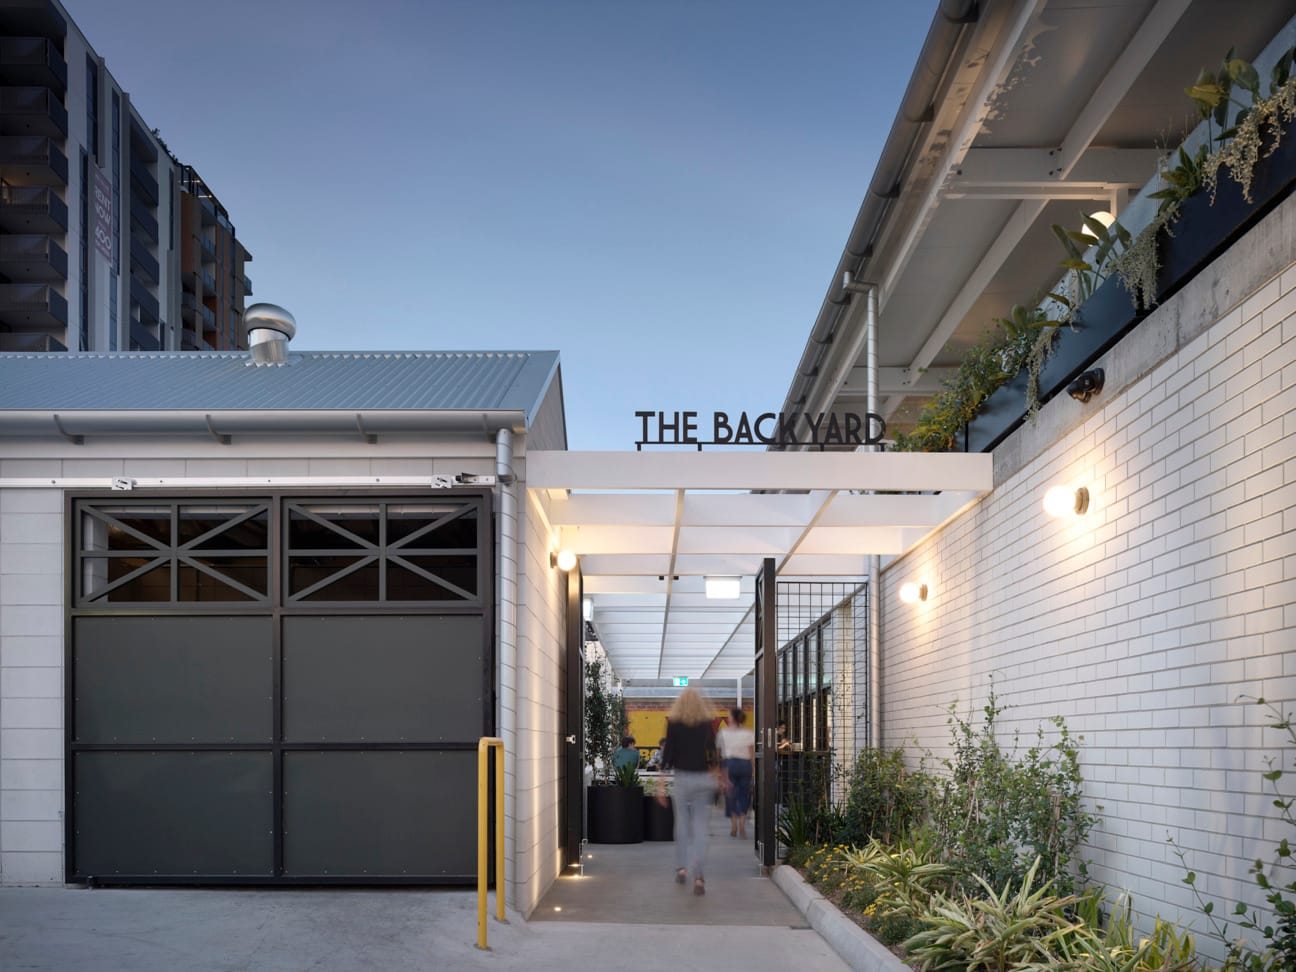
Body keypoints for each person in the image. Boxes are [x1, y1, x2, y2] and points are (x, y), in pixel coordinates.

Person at [657, 687, 720, 895]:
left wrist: (661, 784)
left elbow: (668, 754)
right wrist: (717, 775)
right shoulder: (705, 724)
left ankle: (682, 868)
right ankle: (699, 876)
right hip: (704, 779)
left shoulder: (673, 723)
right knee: (701, 826)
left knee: (682, 823)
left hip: (683, 778)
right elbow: (711, 752)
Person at [717, 708, 755, 838]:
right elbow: (751, 754)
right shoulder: (749, 733)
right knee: (744, 794)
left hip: (730, 765)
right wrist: (754, 770)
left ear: (732, 718)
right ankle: (742, 825)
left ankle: (733, 826)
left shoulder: (723, 733)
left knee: (731, 794)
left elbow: (719, 755)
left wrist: (720, 774)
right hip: (745, 765)